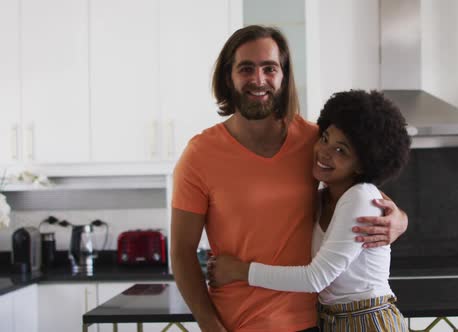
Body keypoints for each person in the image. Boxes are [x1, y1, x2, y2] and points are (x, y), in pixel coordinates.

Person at [171, 25, 409, 332]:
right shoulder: (200, 155)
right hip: (238, 324)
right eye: (246, 68)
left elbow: (368, 194)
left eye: (269, 68)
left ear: (283, 77)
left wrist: (400, 220)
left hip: (312, 321)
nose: (258, 80)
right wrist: (210, 327)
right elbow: (181, 251)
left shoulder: (312, 141)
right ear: (228, 77)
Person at [207, 90, 411, 331]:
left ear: (363, 164)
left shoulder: (360, 197)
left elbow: (316, 278)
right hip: (334, 320)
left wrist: (237, 270)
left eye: (341, 150)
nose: (324, 152)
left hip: (366, 321)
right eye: (325, 138)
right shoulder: (323, 198)